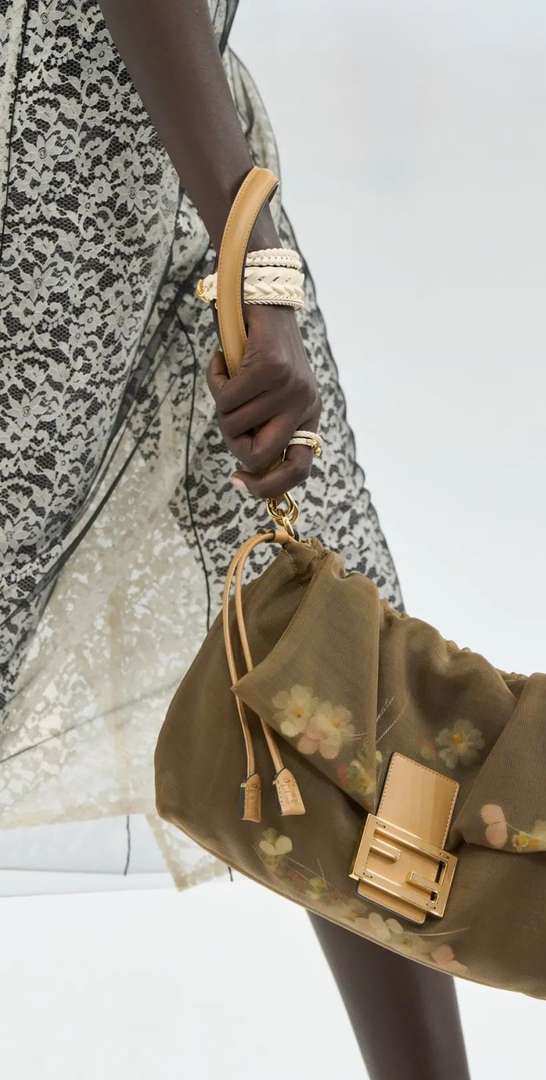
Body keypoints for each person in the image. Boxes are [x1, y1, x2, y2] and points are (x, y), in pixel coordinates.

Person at [0, 3, 470, 1077]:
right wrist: (250, 245)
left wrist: (237, 222)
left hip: (187, 154)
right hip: (51, 189)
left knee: (340, 664)